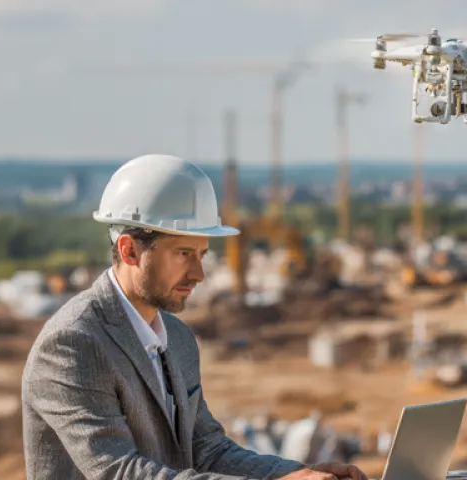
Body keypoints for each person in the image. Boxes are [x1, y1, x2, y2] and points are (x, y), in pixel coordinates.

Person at [21, 154, 367, 480]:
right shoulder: (72, 344)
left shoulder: (176, 338)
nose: (198, 273)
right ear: (129, 250)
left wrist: (293, 474)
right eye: (183, 253)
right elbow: (120, 472)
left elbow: (207, 450)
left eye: (201, 253)